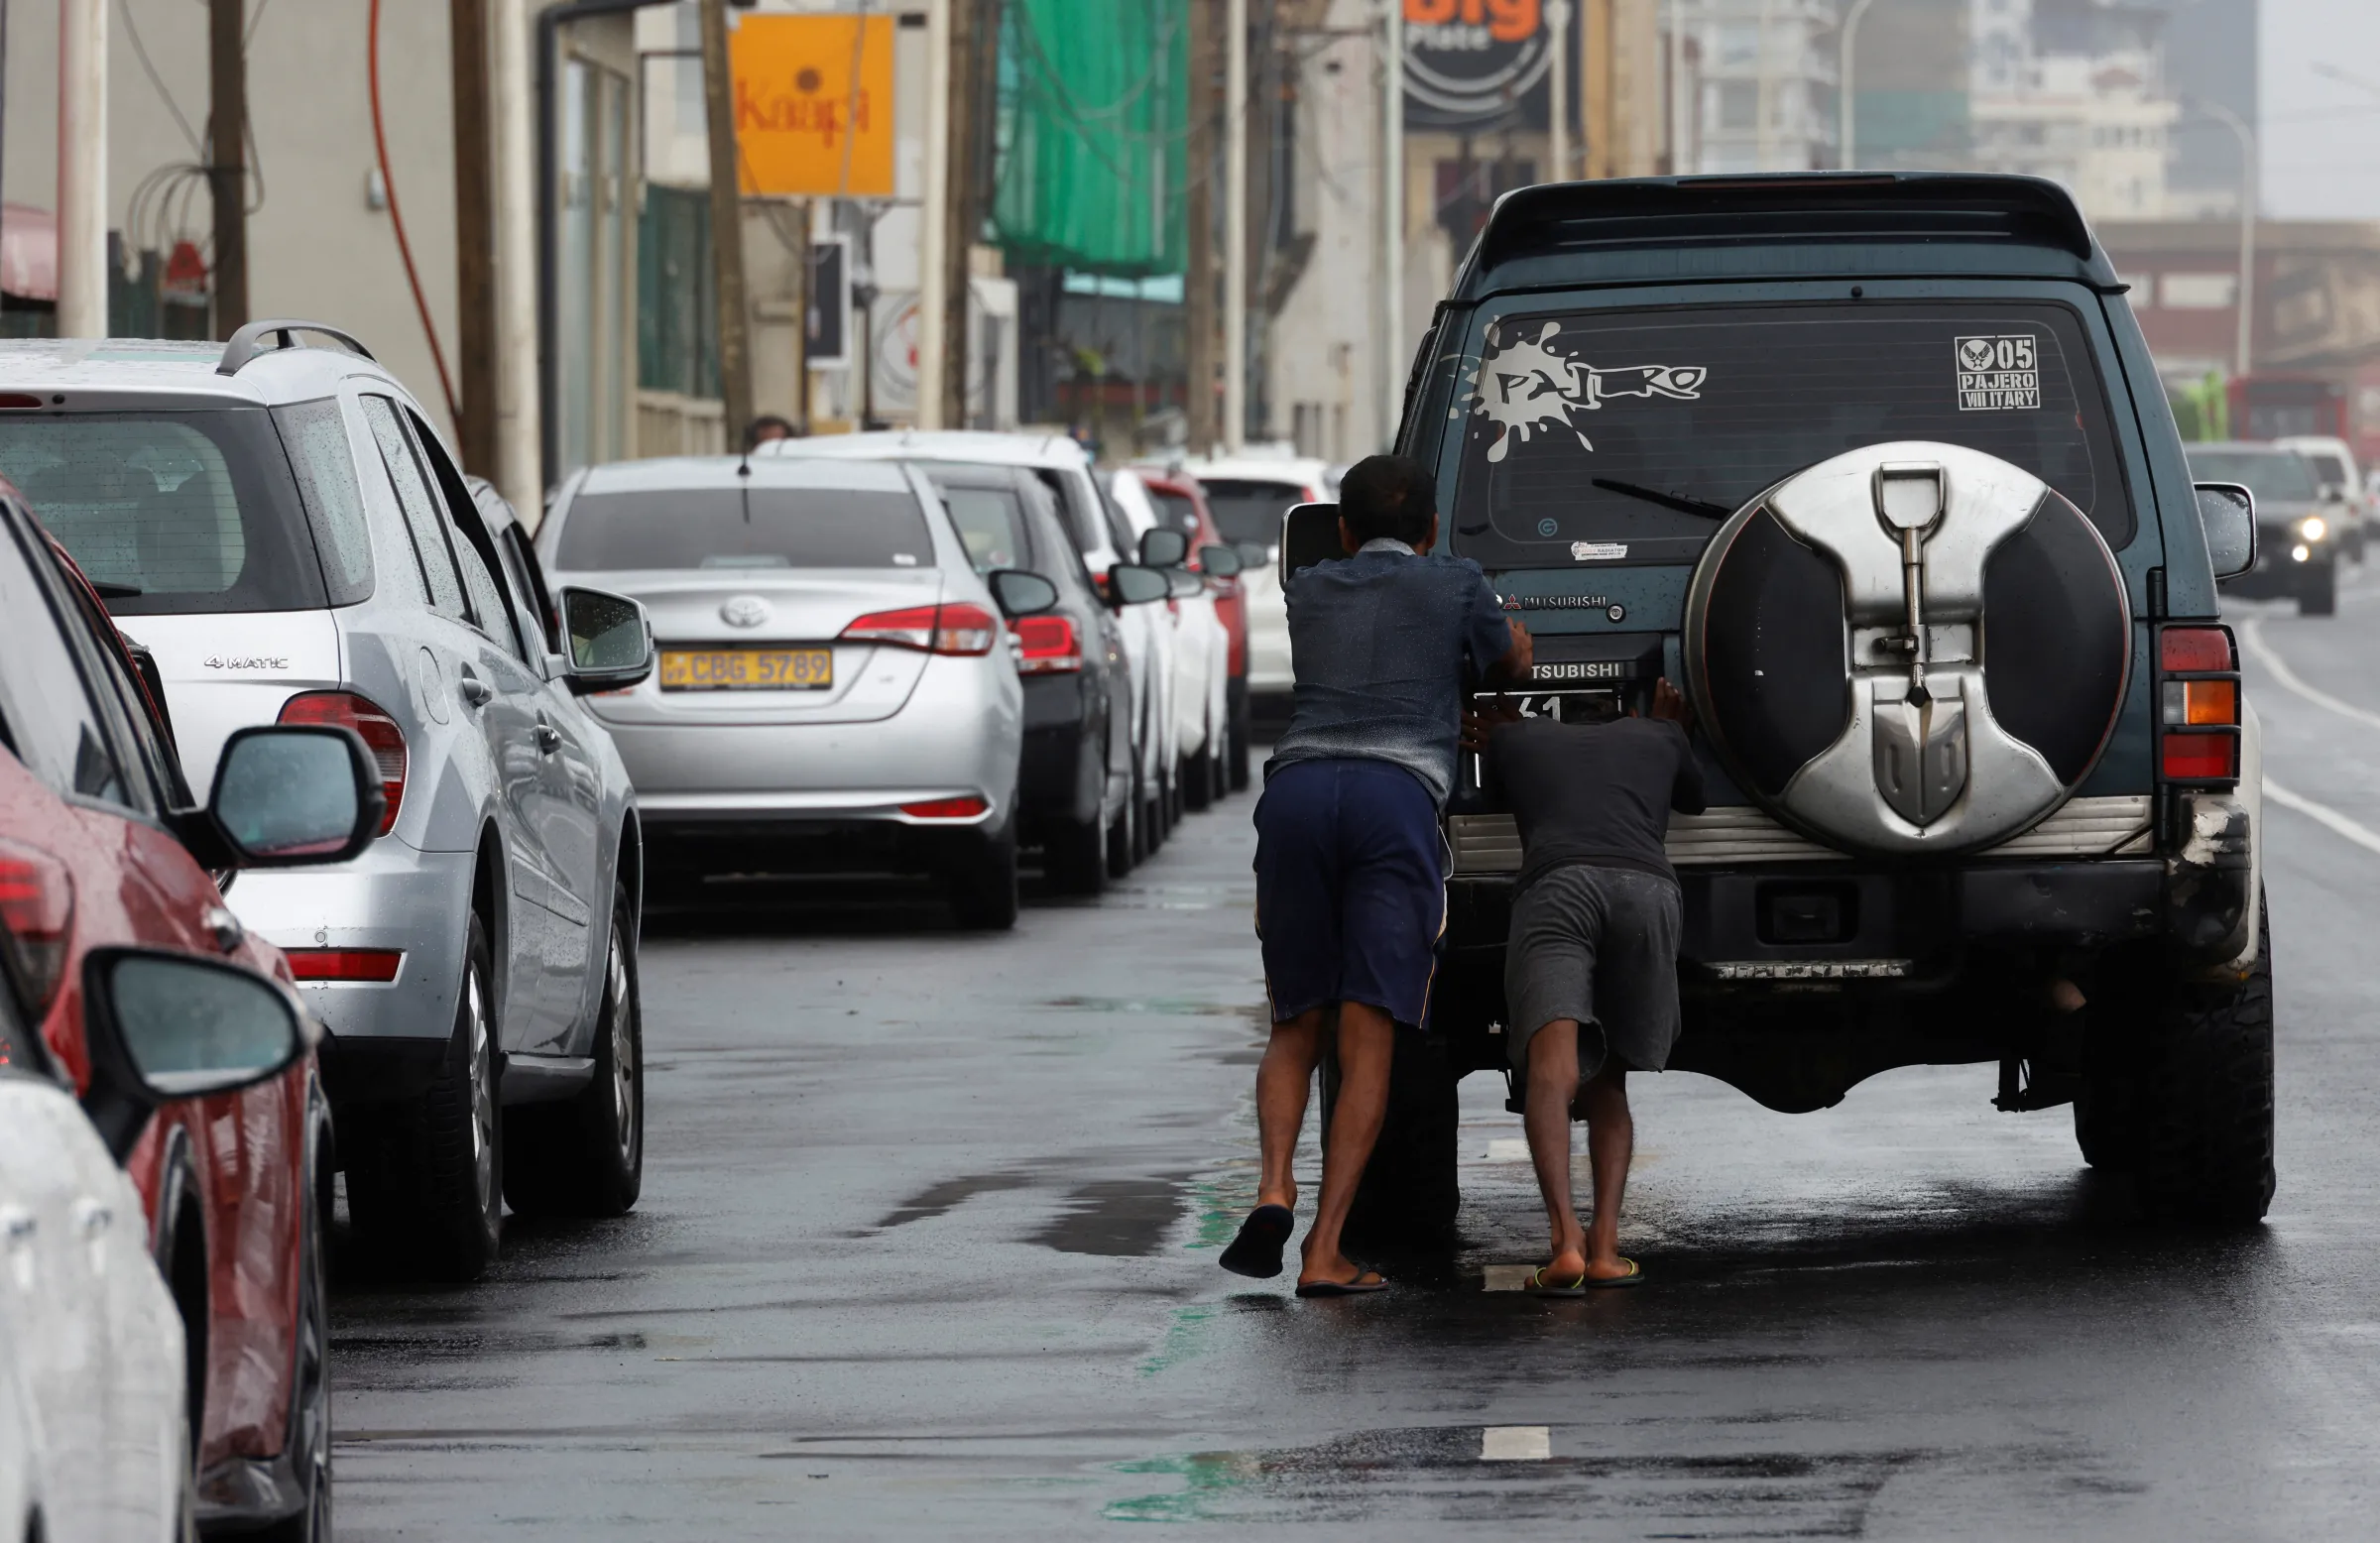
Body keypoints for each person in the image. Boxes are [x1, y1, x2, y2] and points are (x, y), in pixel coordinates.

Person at [1217, 453, 1532, 1296]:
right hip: (1394, 802)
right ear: (1430, 531)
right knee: (1369, 1035)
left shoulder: (1308, 590)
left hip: (1296, 796)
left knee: (1295, 1021)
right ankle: (1325, 1251)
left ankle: (1274, 1185)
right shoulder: (1457, 582)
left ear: (1344, 530)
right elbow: (1509, 666)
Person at [1471, 679, 1705, 1291]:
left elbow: (1492, 799)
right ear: (1622, 711)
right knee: (1611, 1079)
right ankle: (1605, 1247)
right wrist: (1668, 731)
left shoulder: (1519, 740)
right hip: (1646, 892)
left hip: (1559, 890)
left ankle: (1564, 1244)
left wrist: (1508, 741)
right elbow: (1695, 801)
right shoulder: (1659, 733)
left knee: (1552, 1070)